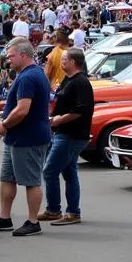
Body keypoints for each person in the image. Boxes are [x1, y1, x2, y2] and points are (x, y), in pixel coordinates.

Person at [0, 37, 51, 237]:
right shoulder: (29, 74)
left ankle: (33, 221)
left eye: (11, 56)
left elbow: (22, 110)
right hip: (17, 137)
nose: (8, 60)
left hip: (28, 137)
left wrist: (4, 124)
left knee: (31, 181)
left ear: (23, 54)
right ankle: (5, 217)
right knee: (7, 178)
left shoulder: (29, 77)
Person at [38, 48, 94, 227]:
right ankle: (70, 211)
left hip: (72, 133)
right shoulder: (67, 80)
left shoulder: (81, 82)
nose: (61, 61)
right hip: (61, 131)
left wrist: (61, 118)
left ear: (73, 62)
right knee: (69, 172)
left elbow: (83, 109)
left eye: (64, 59)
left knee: (50, 170)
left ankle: (55, 209)